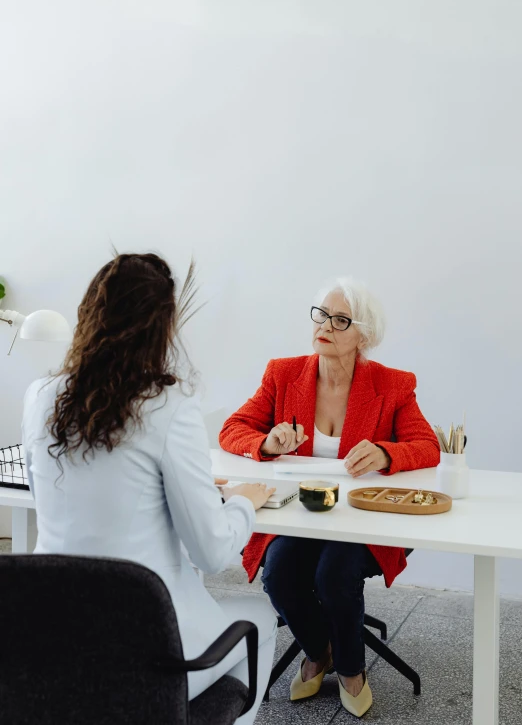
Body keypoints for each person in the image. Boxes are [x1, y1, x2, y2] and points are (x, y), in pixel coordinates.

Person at [22, 253, 277, 724]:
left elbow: (53, 501)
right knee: (259, 617)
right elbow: (213, 552)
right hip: (149, 656)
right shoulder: (168, 405)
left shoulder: (40, 397)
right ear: (161, 327)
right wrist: (243, 500)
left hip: (53, 641)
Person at [219, 276, 440, 718]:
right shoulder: (283, 374)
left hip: (362, 522)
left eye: (341, 320)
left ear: (364, 335)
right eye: (322, 315)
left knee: (334, 575)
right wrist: (266, 443)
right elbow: (232, 430)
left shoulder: (392, 385)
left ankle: (353, 670)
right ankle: (322, 651)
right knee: (279, 574)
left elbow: (427, 447)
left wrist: (384, 451)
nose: (326, 326)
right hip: (301, 515)